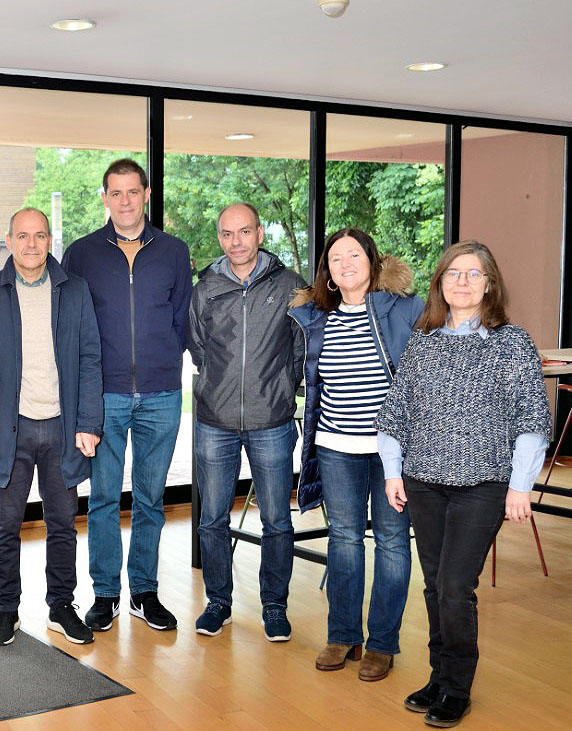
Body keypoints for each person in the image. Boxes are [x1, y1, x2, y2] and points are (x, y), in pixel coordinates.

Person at [375, 240, 549, 728]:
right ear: (440, 284)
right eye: (453, 273)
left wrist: (520, 486)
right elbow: (396, 411)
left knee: (455, 586)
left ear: (490, 284)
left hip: (483, 484)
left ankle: (456, 687)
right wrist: (393, 471)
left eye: (474, 274)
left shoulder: (512, 343)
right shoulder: (423, 341)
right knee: (434, 584)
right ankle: (438, 676)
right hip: (423, 481)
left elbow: (532, 418)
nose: (463, 282)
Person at [287, 228, 423, 682]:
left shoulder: (403, 309)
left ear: (372, 261)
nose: (345, 264)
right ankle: (343, 635)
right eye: (336, 258)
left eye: (354, 255)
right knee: (344, 539)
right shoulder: (313, 317)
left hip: (392, 452)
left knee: (392, 542)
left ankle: (382, 643)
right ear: (327, 270)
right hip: (335, 446)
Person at [63, 158, 192, 633]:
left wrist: (164, 358)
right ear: (105, 198)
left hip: (162, 394)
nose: (124, 201)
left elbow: (182, 317)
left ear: (146, 194)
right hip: (104, 395)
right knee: (101, 499)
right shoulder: (82, 253)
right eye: (115, 193)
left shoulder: (174, 251)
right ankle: (104, 594)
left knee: (150, 499)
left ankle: (144, 592)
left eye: (132, 192)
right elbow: (71, 322)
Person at [0, 208, 103, 646]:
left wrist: (89, 422)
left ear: (49, 241)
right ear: (8, 241)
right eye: (22, 236)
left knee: (62, 524)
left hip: (63, 429)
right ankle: (6, 610)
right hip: (9, 431)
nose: (31, 244)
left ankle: (61, 606)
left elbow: (90, 358)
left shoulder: (75, 290)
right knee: (5, 526)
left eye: (39, 235)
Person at [189, 202, 307, 642]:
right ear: (219, 237)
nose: (235, 241)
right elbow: (198, 348)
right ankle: (218, 602)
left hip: (272, 420)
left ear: (259, 233)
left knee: (276, 520)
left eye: (243, 232)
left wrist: (282, 387)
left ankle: (275, 606)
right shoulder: (206, 288)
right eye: (227, 233)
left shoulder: (291, 285)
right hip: (214, 421)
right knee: (212, 520)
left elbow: (301, 346)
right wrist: (220, 388)